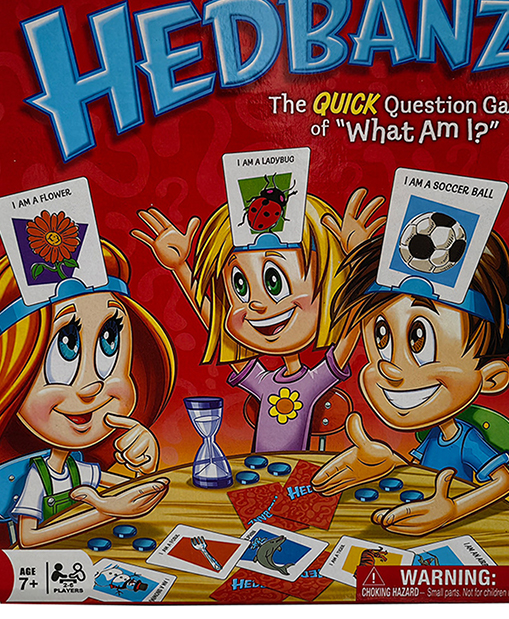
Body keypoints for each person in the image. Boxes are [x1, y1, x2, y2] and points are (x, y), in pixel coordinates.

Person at [0, 238, 175, 549]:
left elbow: (130, 489)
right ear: (13, 377)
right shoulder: (36, 477)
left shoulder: (75, 467)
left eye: (109, 341)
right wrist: (105, 510)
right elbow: (28, 538)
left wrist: (145, 467)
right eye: (66, 349)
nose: (92, 386)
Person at [132, 189, 384, 452]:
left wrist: (360, 262)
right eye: (240, 286)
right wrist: (180, 267)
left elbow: (349, 333)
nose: (256, 305)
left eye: (274, 282)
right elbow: (215, 323)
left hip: (296, 470)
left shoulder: (312, 382)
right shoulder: (263, 383)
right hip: (259, 469)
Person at [312, 231, 509, 535]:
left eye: (418, 340)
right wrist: (387, 461)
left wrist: (454, 510)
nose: (390, 368)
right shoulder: (433, 435)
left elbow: (504, 482)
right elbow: (420, 472)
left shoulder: (467, 440)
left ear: (491, 378)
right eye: (382, 337)